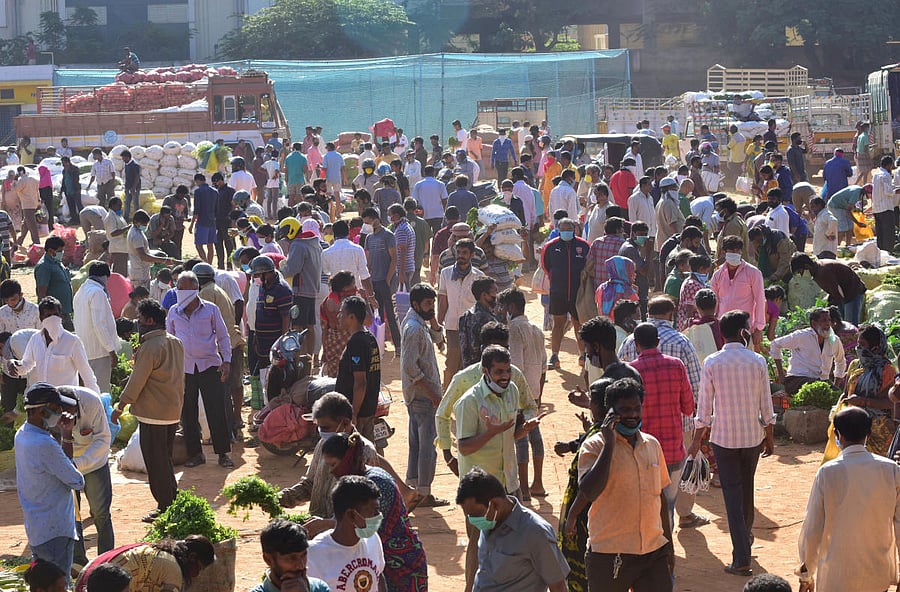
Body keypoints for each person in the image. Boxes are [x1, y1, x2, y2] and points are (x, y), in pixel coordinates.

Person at [564, 377, 674, 592]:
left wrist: (668, 545)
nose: (632, 415)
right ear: (610, 412)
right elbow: (588, 490)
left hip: (653, 551)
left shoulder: (652, 445)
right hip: (609, 554)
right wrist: (609, 444)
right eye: (624, 409)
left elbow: (659, 496)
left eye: (636, 408)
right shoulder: (594, 446)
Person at [689, 310, 776, 577]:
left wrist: (695, 443)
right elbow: (766, 405)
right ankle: (744, 540)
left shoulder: (713, 362)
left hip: (723, 439)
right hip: (752, 437)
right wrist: (769, 437)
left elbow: (703, 409)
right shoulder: (757, 361)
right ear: (743, 332)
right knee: (746, 490)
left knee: (732, 495)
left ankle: (741, 557)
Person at [454, 345, 543, 592]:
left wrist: (522, 431)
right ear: (485, 371)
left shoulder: (512, 391)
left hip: (509, 482)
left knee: (514, 540)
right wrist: (491, 432)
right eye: (499, 372)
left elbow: (507, 437)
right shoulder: (470, 402)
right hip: (479, 491)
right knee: (478, 543)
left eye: (507, 371)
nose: (504, 376)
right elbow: (464, 447)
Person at [797, 406, 900, 592]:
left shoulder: (828, 472)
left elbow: (812, 529)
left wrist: (806, 575)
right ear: (868, 434)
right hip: (877, 576)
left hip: (836, 578)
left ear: (838, 434)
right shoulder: (891, 470)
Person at [321, 433, 428, 591]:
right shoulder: (358, 479)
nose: (331, 471)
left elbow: (360, 523)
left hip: (402, 562)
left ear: (347, 460)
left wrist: (321, 525)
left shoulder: (376, 483)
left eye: (334, 465)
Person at [628, 323, 698, 530]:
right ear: (658, 342)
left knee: (646, 506)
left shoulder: (632, 370)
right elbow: (688, 408)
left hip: (642, 451)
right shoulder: (676, 366)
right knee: (667, 506)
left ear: (636, 344)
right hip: (672, 449)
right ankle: (666, 552)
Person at [457, 467, 569, 592]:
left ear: (495, 504)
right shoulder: (490, 521)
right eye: (469, 516)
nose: (472, 520)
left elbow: (558, 587)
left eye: (475, 514)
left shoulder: (535, 532)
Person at [15, 383, 84, 582]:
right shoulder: (44, 444)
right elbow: (77, 481)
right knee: (58, 585)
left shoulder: (22, 434)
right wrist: (67, 437)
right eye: (55, 409)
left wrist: (65, 436)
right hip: (55, 529)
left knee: (42, 584)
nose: (60, 413)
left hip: (37, 527)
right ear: (39, 411)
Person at [165, 271, 234, 468]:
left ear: (194, 290)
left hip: (210, 366)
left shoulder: (210, 310)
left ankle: (223, 453)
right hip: (184, 369)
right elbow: (169, 341)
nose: (179, 292)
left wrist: (227, 361)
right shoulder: (173, 312)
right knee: (188, 412)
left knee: (216, 410)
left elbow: (223, 336)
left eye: (183, 288)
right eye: (178, 287)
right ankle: (195, 454)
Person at [496, 287, 547, 499]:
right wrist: (539, 394)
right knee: (535, 434)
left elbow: (514, 367)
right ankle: (538, 483)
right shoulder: (536, 328)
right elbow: (544, 365)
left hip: (519, 392)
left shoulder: (514, 330)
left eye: (502, 306)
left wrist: (510, 395)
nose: (500, 310)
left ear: (511, 307)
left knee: (522, 438)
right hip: (535, 389)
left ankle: (524, 488)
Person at [55, 385, 113, 569]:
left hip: (94, 463)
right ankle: (78, 561)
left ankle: (105, 561)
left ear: (77, 406)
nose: (67, 419)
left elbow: (103, 439)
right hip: (65, 464)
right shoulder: (49, 408)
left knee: (100, 512)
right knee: (72, 514)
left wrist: (78, 464)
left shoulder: (91, 402)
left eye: (71, 414)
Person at [399, 283, 446, 507]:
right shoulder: (414, 328)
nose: (431, 308)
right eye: (428, 304)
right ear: (416, 304)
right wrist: (432, 394)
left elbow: (439, 341)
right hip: (422, 397)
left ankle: (415, 490)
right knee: (427, 447)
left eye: (433, 303)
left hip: (418, 396)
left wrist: (433, 319)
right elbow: (410, 366)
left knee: (418, 445)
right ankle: (424, 494)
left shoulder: (419, 323)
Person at [824, 325, 898, 460]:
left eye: (862, 345)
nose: (858, 348)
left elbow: (891, 402)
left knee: (877, 470)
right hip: (853, 427)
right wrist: (837, 411)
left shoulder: (887, 370)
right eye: (858, 344)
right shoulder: (855, 365)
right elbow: (846, 392)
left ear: (875, 348)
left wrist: (863, 402)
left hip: (879, 430)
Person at [306, 475, 386, 589]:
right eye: (374, 511)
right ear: (351, 515)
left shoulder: (373, 539)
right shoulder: (314, 555)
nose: (379, 516)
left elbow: (379, 576)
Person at [11, 296, 100, 393]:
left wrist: (96, 400)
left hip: (66, 401)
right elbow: (26, 365)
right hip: (43, 400)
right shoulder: (35, 340)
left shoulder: (72, 342)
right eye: (48, 316)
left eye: (56, 315)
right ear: (41, 318)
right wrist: (15, 365)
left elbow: (87, 374)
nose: (52, 319)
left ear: (61, 316)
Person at [74, 537, 214, 592]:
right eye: (199, 568)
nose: (197, 574)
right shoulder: (173, 569)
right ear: (192, 557)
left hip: (87, 579)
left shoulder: (157, 552)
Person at [542, 218, 590, 368]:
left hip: (578, 293)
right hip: (558, 293)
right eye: (563, 230)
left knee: (579, 324)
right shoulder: (551, 247)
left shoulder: (583, 246)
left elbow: (588, 266)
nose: (567, 232)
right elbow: (546, 266)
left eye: (569, 229)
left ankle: (583, 355)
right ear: (558, 230)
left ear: (574, 229)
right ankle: (554, 356)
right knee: (558, 325)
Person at [335, 295, 382, 445]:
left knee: (357, 455)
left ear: (352, 317)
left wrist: (353, 413)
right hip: (369, 407)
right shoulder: (369, 337)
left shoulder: (356, 343)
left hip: (358, 412)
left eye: (342, 313)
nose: (339, 316)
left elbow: (360, 382)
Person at [438, 238, 486, 385]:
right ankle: (447, 396)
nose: (461, 255)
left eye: (464, 253)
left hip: (472, 327)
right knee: (451, 362)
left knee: (471, 363)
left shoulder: (479, 276)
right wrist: (439, 323)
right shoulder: (446, 273)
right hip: (452, 325)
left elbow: (482, 303)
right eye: (458, 252)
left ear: (472, 255)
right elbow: (442, 299)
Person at [770, 308, 847, 395]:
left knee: (837, 394)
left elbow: (840, 362)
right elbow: (775, 344)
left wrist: (835, 385)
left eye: (829, 320)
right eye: (824, 320)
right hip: (798, 380)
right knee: (818, 387)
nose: (828, 324)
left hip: (822, 382)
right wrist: (781, 374)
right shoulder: (801, 336)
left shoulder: (834, 340)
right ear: (814, 323)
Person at [711, 235, 765, 350]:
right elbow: (715, 302)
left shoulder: (753, 273)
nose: (735, 253)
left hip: (744, 328)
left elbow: (760, 300)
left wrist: (758, 329)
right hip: (724, 328)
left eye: (738, 250)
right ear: (724, 252)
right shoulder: (718, 274)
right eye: (731, 250)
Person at [72, 262, 119, 394]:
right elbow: (99, 325)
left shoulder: (81, 291)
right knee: (101, 392)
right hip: (99, 350)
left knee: (89, 391)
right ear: (105, 276)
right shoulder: (97, 292)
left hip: (85, 349)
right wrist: (111, 350)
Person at [280, 218, 324, 355]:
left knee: (298, 327)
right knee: (310, 326)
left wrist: (282, 268)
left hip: (300, 291)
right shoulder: (315, 243)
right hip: (312, 290)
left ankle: (300, 359)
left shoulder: (298, 245)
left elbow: (292, 269)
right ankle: (310, 358)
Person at [250, 519, 330, 592]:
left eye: (303, 555)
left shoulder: (320, 588)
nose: (301, 565)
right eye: (292, 558)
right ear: (268, 560)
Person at [790, 254, 867, 326]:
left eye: (800, 272)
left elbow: (838, 295)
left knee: (850, 326)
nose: (801, 275)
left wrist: (827, 309)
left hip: (853, 293)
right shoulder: (816, 270)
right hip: (843, 295)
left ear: (806, 266)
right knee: (842, 323)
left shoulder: (823, 272)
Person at [458, 277, 499, 368]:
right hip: (485, 370)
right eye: (494, 292)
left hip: (468, 370)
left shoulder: (465, 316)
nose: (497, 295)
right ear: (484, 295)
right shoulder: (489, 320)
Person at [128, 210, 173, 289]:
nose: (145, 226)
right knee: (141, 295)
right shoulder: (136, 235)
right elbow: (143, 256)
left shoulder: (137, 231)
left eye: (146, 224)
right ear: (136, 222)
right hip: (139, 271)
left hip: (141, 268)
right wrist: (164, 260)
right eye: (143, 224)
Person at [618, 221, 652, 318]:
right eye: (641, 234)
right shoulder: (631, 249)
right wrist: (649, 252)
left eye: (645, 234)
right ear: (633, 234)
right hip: (635, 293)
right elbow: (644, 271)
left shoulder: (631, 247)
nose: (644, 237)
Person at [826, 182, 871, 248]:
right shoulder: (856, 194)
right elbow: (848, 211)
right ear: (866, 192)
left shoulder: (859, 191)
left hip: (843, 206)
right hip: (835, 206)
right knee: (842, 228)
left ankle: (848, 246)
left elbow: (851, 207)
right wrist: (858, 223)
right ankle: (835, 247)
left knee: (850, 227)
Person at [871, 154, 900, 252]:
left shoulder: (876, 174)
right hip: (886, 209)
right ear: (888, 165)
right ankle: (888, 253)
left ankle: (881, 253)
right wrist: (897, 190)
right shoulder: (886, 175)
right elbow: (888, 192)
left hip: (877, 208)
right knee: (888, 234)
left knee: (880, 234)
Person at [676, 254, 712, 330]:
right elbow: (690, 309)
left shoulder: (690, 282)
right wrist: (687, 328)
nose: (707, 274)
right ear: (701, 269)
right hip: (692, 326)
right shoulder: (693, 285)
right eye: (707, 271)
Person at [189, 173, 218, 263]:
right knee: (210, 245)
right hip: (212, 222)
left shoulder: (198, 192)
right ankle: (209, 264)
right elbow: (217, 208)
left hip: (202, 222)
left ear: (197, 181)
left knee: (198, 245)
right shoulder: (215, 191)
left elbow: (196, 210)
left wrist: (191, 225)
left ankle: (204, 263)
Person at [412, 166, 449, 234]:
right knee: (437, 235)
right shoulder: (440, 184)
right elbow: (444, 200)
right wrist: (445, 213)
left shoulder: (418, 185)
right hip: (438, 214)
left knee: (425, 237)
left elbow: (414, 201)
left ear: (424, 173)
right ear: (434, 172)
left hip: (423, 215)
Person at [715, 197, 750, 263]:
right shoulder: (732, 221)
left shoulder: (733, 225)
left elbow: (731, 250)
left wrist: (716, 264)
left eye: (718, 211)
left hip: (733, 264)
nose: (717, 213)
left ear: (725, 211)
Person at [102, 198, 130, 275]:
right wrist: (126, 228)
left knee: (123, 272)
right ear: (113, 205)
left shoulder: (118, 216)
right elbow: (113, 233)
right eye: (119, 205)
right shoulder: (111, 217)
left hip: (122, 248)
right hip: (117, 248)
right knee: (119, 273)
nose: (120, 207)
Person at [60, 156, 82, 226]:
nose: (63, 164)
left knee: (79, 205)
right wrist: (62, 190)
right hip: (68, 191)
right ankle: (74, 220)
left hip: (75, 190)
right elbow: (64, 180)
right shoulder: (64, 170)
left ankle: (82, 219)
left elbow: (76, 179)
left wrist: (77, 189)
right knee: (71, 206)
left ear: (68, 162)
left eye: (64, 163)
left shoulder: (74, 169)